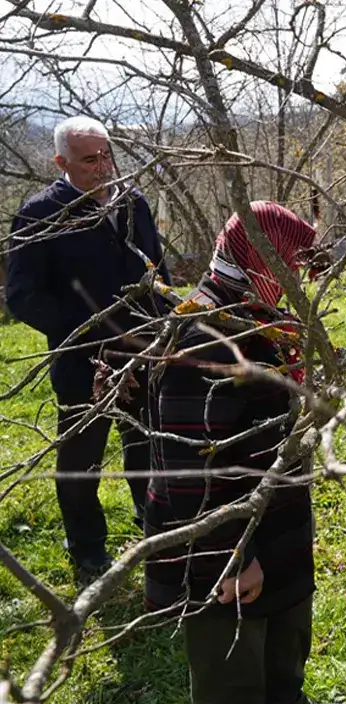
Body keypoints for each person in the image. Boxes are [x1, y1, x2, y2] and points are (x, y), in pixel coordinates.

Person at [145, 202, 341, 704]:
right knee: (232, 680)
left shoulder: (259, 317)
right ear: (260, 260)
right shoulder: (205, 334)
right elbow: (187, 468)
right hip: (227, 549)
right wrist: (230, 555)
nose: (296, 279)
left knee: (282, 648)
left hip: (276, 525)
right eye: (289, 267)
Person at [6, 115, 170, 579]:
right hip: (84, 359)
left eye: (106, 155)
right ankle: (87, 548)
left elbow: (156, 271)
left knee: (147, 445)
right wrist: (88, 330)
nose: (101, 167)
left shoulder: (132, 203)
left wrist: (165, 327)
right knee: (82, 459)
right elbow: (22, 296)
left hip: (143, 350)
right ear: (61, 161)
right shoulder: (41, 214)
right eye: (88, 159)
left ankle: (154, 523)